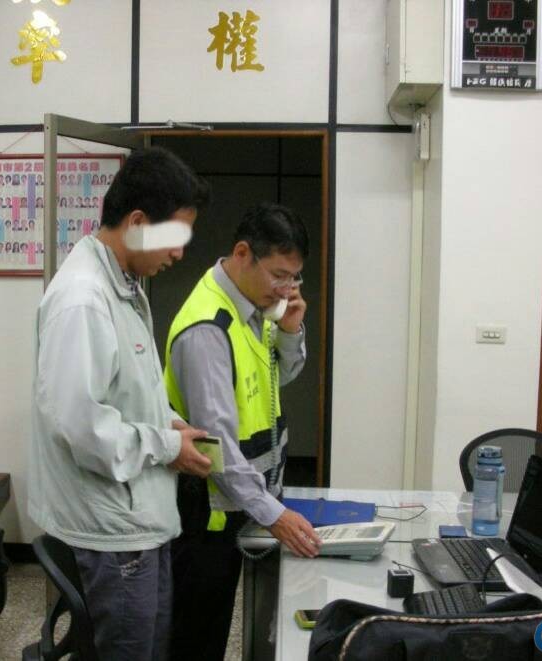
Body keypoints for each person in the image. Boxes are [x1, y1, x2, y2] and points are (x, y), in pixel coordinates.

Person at [29, 147, 212, 661]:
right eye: (174, 238)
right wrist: (166, 445)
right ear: (136, 223)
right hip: (112, 534)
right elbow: (83, 429)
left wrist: (172, 424)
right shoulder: (84, 299)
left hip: (137, 522)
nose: (178, 254)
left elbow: (129, 393)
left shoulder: (124, 284)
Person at [164, 202, 321, 661]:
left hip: (238, 504)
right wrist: (274, 514)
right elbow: (216, 446)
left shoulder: (253, 310)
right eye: (278, 275)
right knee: (195, 642)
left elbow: (274, 380)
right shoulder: (208, 329)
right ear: (242, 254)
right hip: (205, 516)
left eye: (294, 278)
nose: (285, 288)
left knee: (215, 631)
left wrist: (289, 330)